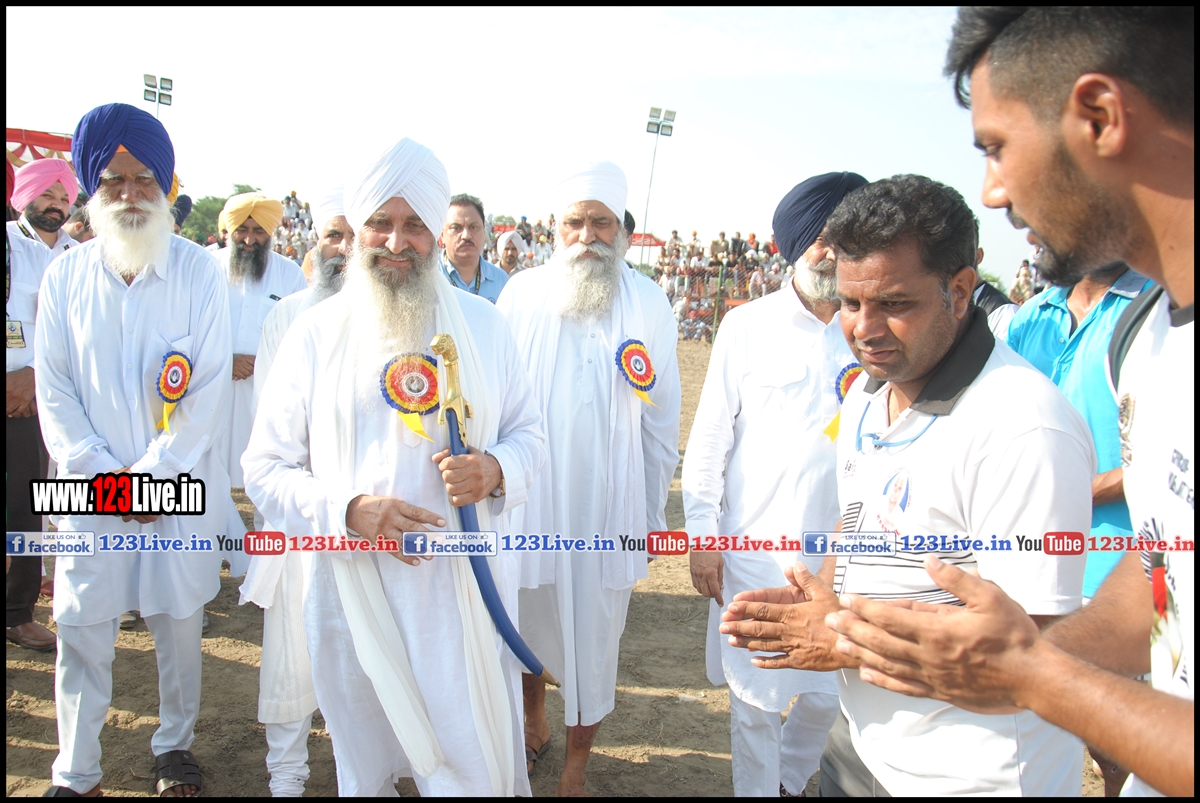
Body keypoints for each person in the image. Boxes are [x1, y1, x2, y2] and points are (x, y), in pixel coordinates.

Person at [826, 8, 1194, 797]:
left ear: (1100, 117)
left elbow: (1034, 665)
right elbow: (1165, 565)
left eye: (995, 146)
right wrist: (1014, 658)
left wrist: (1033, 675)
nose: (993, 191)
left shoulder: (1023, 411)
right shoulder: (1151, 340)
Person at [721, 174, 1096, 796]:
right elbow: (858, 518)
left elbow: (1033, 646)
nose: (864, 329)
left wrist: (847, 637)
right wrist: (827, 594)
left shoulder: (1022, 427)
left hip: (973, 774)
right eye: (850, 303)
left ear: (960, 291)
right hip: (861, 746)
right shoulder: (869, 396)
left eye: (893, 304)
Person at [242, 135, 546, 797]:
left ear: (437, 232)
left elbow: (531, 436)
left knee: (468, 768)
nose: (397, 241)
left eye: (415, 225)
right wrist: (348, 511)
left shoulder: (486, 328)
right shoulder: (314, 334)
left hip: (458, 598)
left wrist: (495, 469)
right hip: (351, 592)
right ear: (358, 229)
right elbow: (264, 466)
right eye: (381, 222)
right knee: (366, 770)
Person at [36, 102, 233, 797]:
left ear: (166, 186)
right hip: (89, 493)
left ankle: (173, 746)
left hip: (173, 493)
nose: (129, 193)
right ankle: (76, 770)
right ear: (92, 189)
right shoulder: (64, 278)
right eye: (113, 180)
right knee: (81, 627)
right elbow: (54, 390)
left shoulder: (199, 273)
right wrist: (106, 479)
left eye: (144, 178)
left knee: (178, 624)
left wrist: (152, 478)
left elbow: (208, 390)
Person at [497, 161, 680, 796]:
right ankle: (532, 720)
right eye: (574, 222)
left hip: (608, 509)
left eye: (600, 222)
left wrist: (648, 518)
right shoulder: (520, 294)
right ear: (556, 228)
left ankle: (576, 768)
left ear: (622, 229)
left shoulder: (649, 302)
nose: (586, 236)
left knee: (595, 640)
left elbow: (661, 420)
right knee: (521, 619)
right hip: (529, 500)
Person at [683, 172, 865, 797]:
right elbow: (710, 440)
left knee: (829, 694)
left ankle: (788, 781)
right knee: (755, 702)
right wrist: (702, 536)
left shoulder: (871, 332)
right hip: (753, 552)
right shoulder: (746, 327)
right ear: (794, 244)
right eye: (821, 237)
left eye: (846, 240)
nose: (831, 253)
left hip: (842, 555)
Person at [239, 185, 352, 797]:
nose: (345, 248)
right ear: (315, 243)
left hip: (368, 522)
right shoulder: (286, 316)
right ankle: (287, 773)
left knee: (366, 651)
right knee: (290, 650)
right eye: (333, 235)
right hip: (298, 513)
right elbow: (269, 429)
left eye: (354, 235)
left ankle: (371, 768)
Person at [214, 192, 306, 497]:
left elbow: (298, 333)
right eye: (241, 229)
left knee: (260, 470)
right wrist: (225, 360)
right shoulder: (207, 267)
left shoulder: (289, 274)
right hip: (212, 386)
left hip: (265, 389)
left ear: (271, 232)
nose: (249, 239)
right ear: (228, 230)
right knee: (210, 470)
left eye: (258, 231)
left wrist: (265, 362)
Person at [6, 168, 57, 652]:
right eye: (47, 192)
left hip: (30, 402)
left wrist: (35, 374)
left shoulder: (56, 256)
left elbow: (67, 331)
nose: (56, 201)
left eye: (64, 193)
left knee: (28, 508)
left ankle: (17, 613)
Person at [439, 193, 509, 303]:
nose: (466, 236)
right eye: (456, 228)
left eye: (473, 227)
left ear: (484, 231)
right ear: (442, 235)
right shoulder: (427, 277)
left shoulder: (501, 281)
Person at [7, 158, 79, 257]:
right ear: (26, 197)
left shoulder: (78, 251)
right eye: (48, 196)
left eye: (64, 200)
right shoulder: (9, 237)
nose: (58, 205)